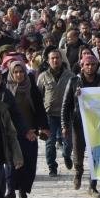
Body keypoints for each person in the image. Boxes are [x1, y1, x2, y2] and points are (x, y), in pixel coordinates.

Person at [61, 53, 100, 197]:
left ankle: (93, 185)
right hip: (78, 123)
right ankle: (78, 173)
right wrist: (64, 125)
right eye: (87, 64)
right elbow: (66, 104)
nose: (90, 67)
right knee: (78, 153)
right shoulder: (74, 81)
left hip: (97, 124)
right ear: (82, 66)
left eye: (93, 64)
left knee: (95, 155)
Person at [4, 60, 49, 198]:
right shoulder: (6, 90)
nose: (19, 75)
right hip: (11, 133)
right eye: (16, 72)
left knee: (28, 162)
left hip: (30, 131)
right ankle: (10, 190)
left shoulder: (32, 88)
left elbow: (40, 109)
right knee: (12, 163)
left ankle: (23, 190)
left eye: (21, 71)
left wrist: (44, 127)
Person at [36, 49, 74, 177]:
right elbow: (38, 97)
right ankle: (52, 167)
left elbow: (75, 95)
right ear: (48, 60)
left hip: (66, 115)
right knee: (50, 143)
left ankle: (66, 155)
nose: (55, 60)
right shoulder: (43, 76)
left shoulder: (70, 76)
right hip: (49, 115)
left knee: (68, 142)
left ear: (61, 59)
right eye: (52, 58)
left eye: (57, 57)